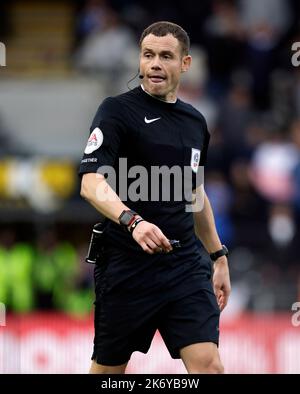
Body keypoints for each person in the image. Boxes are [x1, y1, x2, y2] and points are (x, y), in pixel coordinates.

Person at [79, 21, 231, 374]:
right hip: (126, 265)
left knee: (210, 366)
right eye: (148, 55)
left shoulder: (196, 123)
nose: (155, 64)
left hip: (184, 268)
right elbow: (90, 183)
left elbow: (195, 193)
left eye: (166, 56)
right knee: (109, 372)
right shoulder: (116, 111)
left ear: (186, 64)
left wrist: (218, 256)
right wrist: (133, 221)